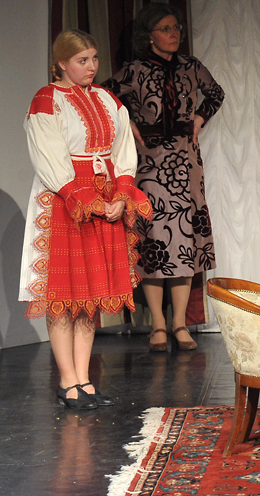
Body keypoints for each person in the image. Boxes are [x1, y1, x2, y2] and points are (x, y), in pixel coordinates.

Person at [19, 30, 153, 409]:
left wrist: (122, 194)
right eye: (82, 60)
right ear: (62, 63)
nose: (91, 66)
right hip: (65, 201)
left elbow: (123, 149)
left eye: (94, 58)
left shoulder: (107, 99)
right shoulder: (47, 99)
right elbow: (49, 157)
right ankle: (67, 380)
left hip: (104, 195)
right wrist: (84, 199)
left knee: (90, 294)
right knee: (65, 295)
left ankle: (85, 380)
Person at [103, 2, 225, 352]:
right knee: (154, 240)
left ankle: (179, 323)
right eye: (166, 29)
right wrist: (127, 122)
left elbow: (216, 93)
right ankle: (158, 323)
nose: (174, 34)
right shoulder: (135, 70)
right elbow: (103, 96)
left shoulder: (191, 66)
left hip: (185, 161)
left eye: (177, 28)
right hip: (150, 163)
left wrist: (200, 118)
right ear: (149, 36)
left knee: (184, 238)